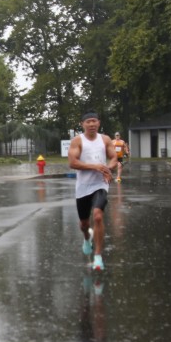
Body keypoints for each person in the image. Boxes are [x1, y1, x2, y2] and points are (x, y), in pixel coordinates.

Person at [68, 112, 117, 272]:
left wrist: (108, 169)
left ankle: (98, 256)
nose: (91, 124)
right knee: (84, 224)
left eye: (94, 121)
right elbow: (72, 163)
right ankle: (86, 237)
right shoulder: (77, 141)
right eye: (88, 121)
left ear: (98, 123)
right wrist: (95, 166)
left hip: (100, 185)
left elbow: (114, 158)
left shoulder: (105, 139)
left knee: (97, 216)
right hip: (83, 187)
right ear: (82, 124)